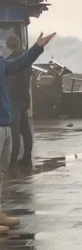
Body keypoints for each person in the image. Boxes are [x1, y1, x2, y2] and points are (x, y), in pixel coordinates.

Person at [0, 33, 56, 234]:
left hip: (5, 121)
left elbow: (20, 63)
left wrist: (37, 48)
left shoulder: (2, 63)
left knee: (2, 170)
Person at [5, 36, 34, 169]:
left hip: (14, 100)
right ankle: (27, 157)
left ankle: (12, 161)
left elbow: (9, 84)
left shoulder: (10, 62)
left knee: (14, 132)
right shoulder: (25, 61)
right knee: (25, 131)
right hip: (24, 98)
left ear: (7, 46)